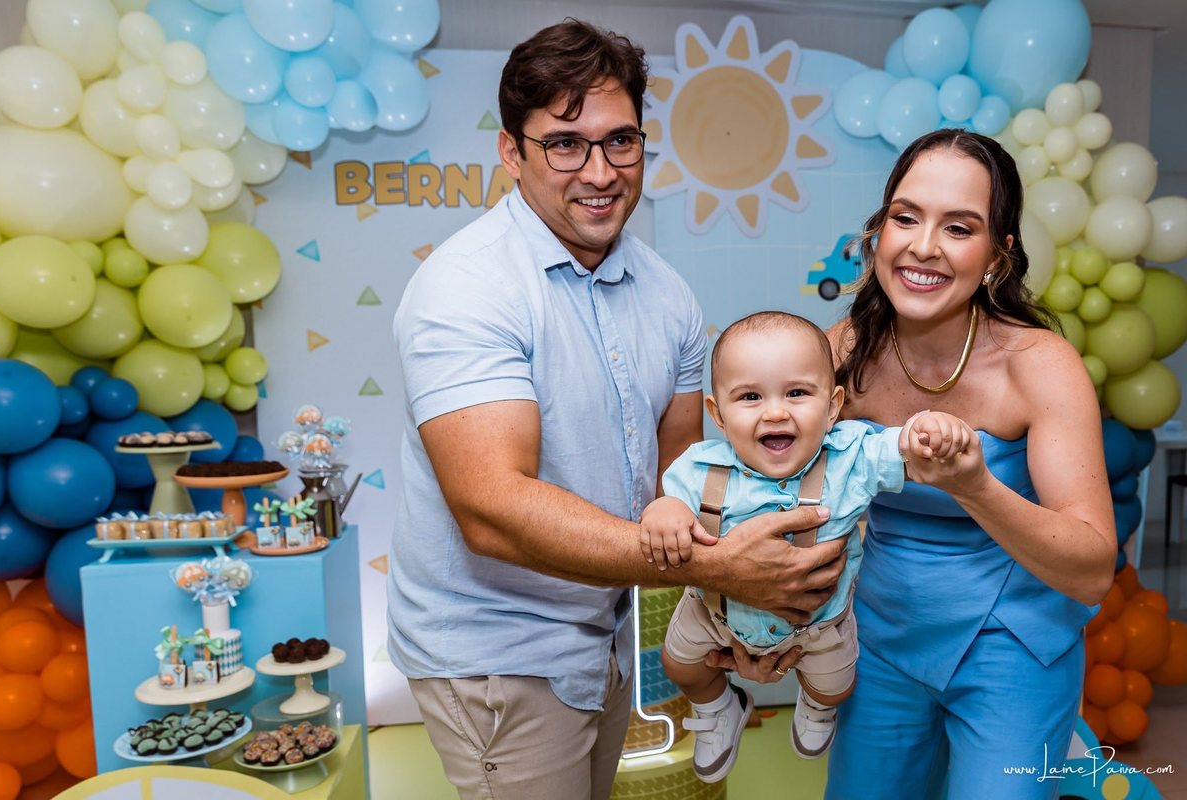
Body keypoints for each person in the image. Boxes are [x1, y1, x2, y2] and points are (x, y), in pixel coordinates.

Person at [387, 20, 846, 800]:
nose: (599, 171)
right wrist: (724, 569)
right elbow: (491, 510)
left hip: (611, 630)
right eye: (565, 143)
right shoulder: (466, 290)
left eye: (620, 141)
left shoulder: (666, 293)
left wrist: (731, 623)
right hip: (502, 651)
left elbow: (678, 490)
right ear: (512, 153)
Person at [816, 128, 1117, 799]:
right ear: (878, 233)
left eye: (959, 227)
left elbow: (1095, 569)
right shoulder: (842, 352)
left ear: (996, 257)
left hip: (1014, 643)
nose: (923, 246)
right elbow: (783, 486)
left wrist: (975, 486)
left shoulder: (1040, 366)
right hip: (883, 639)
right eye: (905, 218)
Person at [641, 310, 977, 782]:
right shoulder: (701, 468)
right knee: (679, 663)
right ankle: (719, 706)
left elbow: (897, 447)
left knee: (837, 684)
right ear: (718, 415)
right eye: (751, 397)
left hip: (819, 626)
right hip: (713, 614)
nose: (775, 411)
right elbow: (669, 502)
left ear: (833, 405)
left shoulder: (849, 456)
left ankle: (817, 707)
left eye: (797, 393)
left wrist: (929, 431)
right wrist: (665, 513)